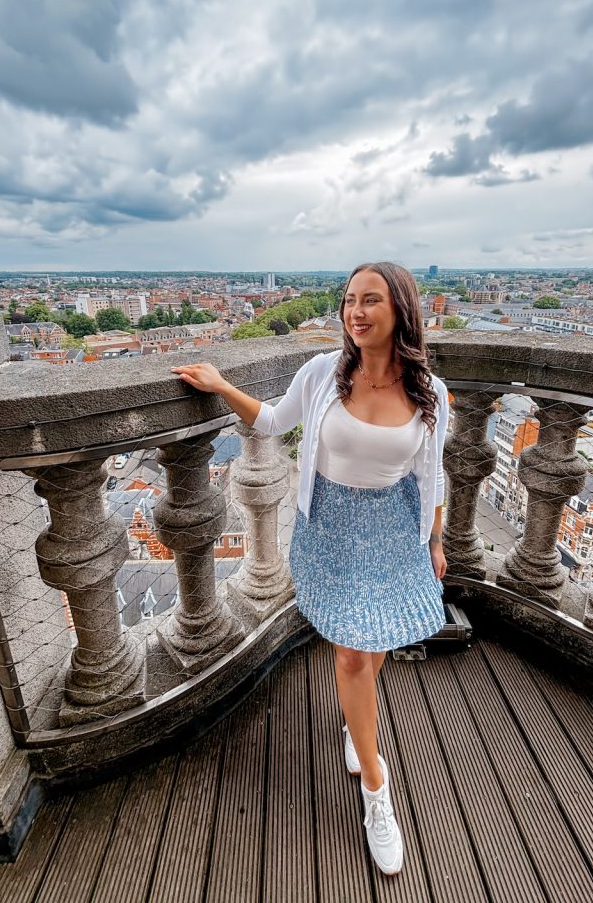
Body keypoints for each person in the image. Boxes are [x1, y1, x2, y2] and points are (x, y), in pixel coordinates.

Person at [171, 261, 449, 877]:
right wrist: (219, 384)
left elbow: (432, 476)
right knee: (350, 654)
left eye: (370, 300)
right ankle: (377, 791)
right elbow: (270, 422)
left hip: (392, 532)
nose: (355, 311)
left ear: (401, 309)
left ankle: (359, 727)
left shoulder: (431, 391)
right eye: (349, 300)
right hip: (330, 527)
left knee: (371, 644)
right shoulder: (323, 373)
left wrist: (435, 541)